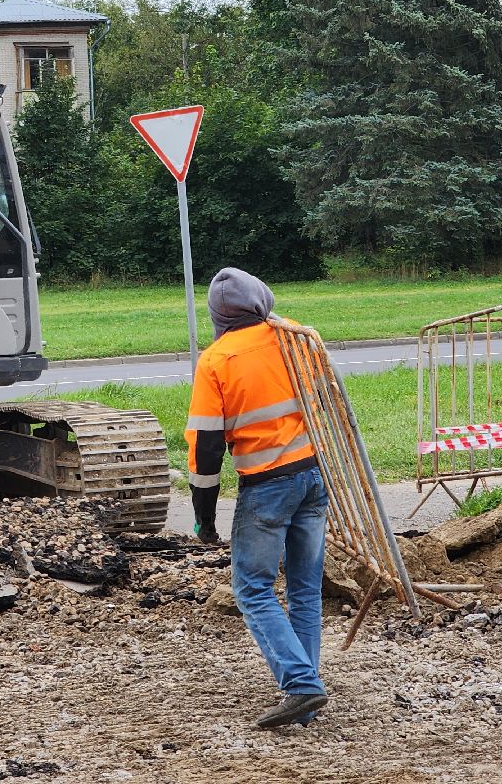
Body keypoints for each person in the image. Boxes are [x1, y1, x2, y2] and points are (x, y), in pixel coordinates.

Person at [186, 267, 329, 730]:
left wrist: (204, 519)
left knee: (252, 588)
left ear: (217, 314)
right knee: (305, 589)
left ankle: (301, 685)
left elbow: (206, 447)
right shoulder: (294, 337)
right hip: (313, 476)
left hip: (267, 487)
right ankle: (304, 689)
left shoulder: (217, 360)